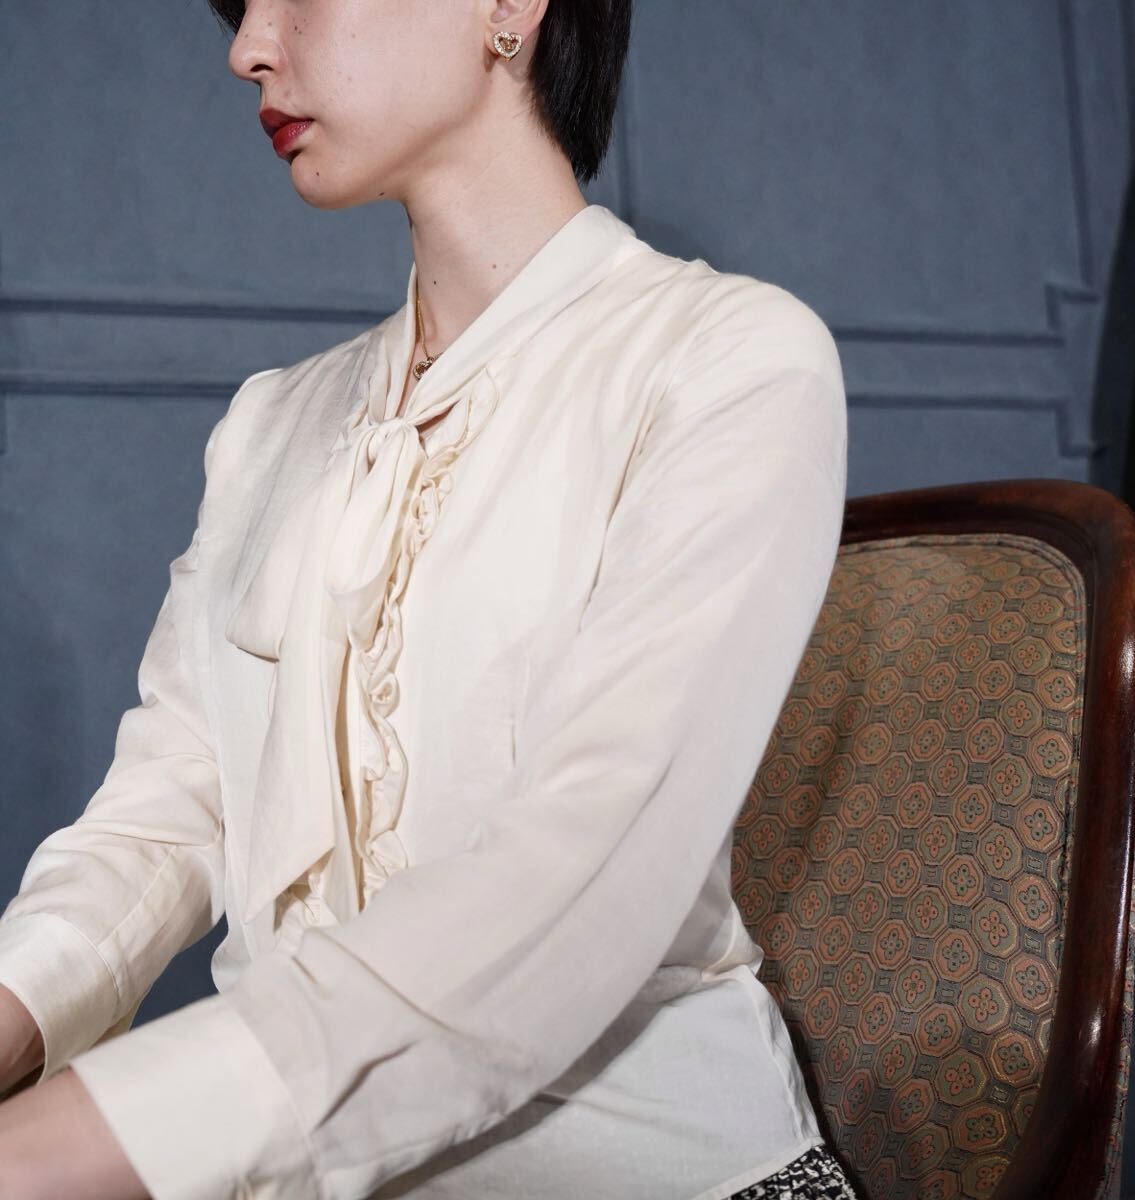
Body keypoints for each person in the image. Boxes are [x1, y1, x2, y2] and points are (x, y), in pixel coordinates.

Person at [0, 2, 854, 1197]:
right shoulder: (270, 425)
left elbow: (572, 889)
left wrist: (70, 1145)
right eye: (241, 8)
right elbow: (167, 815)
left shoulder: (728, 362)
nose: (248, 49)